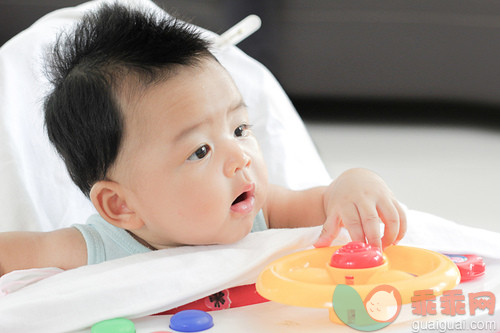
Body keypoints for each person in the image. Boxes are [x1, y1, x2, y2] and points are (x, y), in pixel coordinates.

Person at [0, 3, 406, 276]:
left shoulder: (263, 214)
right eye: (200, 151)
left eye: (240, 129)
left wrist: (355, 185)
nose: (240, 158)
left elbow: (328, 203)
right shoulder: (101, 249)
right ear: (120, 205)